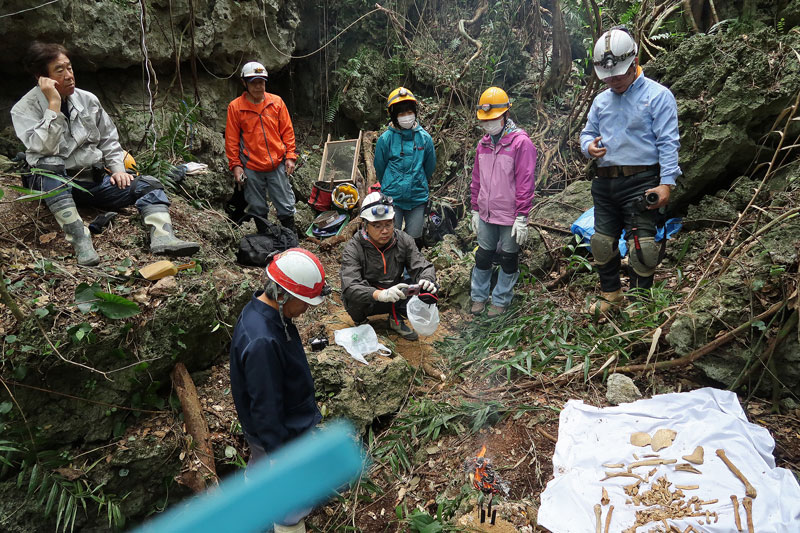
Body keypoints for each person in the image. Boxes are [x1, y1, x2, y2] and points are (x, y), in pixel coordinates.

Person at [10, 42, 199, 266]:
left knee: (148, 183)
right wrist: (53, 104)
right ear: (42, 78)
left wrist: (118, 169)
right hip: (56, 184)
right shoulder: (24, 109)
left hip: (94, 181)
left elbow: (108, 139)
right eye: (59, 71)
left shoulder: (87, 100)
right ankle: (81, 240)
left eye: (69, 68)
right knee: (49, 165)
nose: (69, 75)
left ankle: (162, 236)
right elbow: (43, 148)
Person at [579, 26, 681, 314]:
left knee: (642, 245)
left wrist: (667, 183)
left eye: (618, 75)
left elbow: (668, 142)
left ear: (634, 62)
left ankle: (639, 301)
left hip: (642, 180)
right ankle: (611, 295)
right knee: (601, 242)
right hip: (605, 181)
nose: (613, 81)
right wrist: (589, 147)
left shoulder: (658, 96)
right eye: (607, 77)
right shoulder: (601, 101)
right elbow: (587, 134)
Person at [229, 247, 330, 533]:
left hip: (280, 426)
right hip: (281, 432)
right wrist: (279, 455)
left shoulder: (266, 314)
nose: (308, 308)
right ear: (283, 294)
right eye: (305, 301)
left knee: (260, 470)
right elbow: (266, 404)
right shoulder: (263, 340)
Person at [469, 87, 537, 318]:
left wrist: (522, 216)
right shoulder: (483, 144)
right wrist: (474, 209)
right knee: (483, 256)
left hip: (510, 215)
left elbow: (525, 181)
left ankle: (500, 300)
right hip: (487, 213)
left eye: (494, 119)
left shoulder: (521, 144)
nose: (489, 124)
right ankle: (478, 297)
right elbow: (476, 178)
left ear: (506, 114)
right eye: (485, 121)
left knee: (509, 258)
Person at [340, 192, 437, 341]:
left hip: (395, 292)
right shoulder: (354, 247)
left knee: (426, 287)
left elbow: (422, 266)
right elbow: (349, 285)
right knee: (353, 295)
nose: (384, 231)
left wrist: (427, 279)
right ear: (365, 225)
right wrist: (379, 294)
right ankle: (361, 322)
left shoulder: (403, 239)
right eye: (377, 226)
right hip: (369, 297)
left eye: (388, 224)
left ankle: (395, 318)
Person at [225, 61, 298, 234]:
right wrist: (236, 166)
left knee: (285, 203)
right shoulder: (236, 107)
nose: (259, 86)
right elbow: (232, 139)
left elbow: (287, 131)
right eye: (254, 82)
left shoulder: (277, 102)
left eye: (261, 82)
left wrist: (290, 157)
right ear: (244, 83)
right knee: (256, 206)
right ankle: (265, 238)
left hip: (277, 163)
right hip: (251, 167)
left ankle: (291, 237)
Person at [373, 87, 436, 247]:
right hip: (392, 198)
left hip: (417, 197)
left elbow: (429, 167)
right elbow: (380, 168)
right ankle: (392, 272)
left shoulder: (425, 139)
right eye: (401, 114)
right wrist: (390, 184)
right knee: (389, 238)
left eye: (409, 112)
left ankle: (410, 272)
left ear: (415, 112)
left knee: (413, 240)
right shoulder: (385, 139)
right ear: (394, 116)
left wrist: (419, 181)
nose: (406, 117)